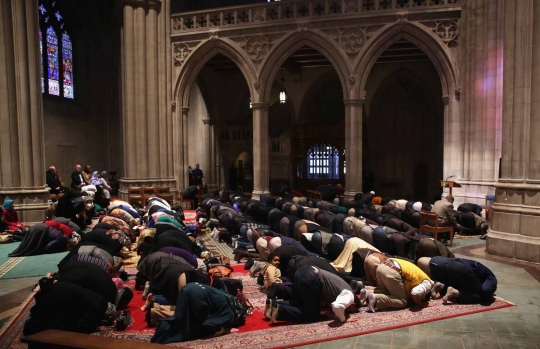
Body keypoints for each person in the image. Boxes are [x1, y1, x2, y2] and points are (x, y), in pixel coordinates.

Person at [268, 266, 358, 323]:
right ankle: (280, 310)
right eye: (352, 310)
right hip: (311, 277)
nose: (348, 310)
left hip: (303, 271)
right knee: (312, 315)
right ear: (353, 303)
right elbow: (337, 306)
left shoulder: (343, 288)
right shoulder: (350, 296)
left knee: (301, 303)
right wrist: (343, 319)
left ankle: (273, 304)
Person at [151, 283, 236, 344]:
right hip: (196, 296)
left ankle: (157, 315)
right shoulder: (229, 313)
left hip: (188, 287)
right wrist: (224, 330)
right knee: (192, 328)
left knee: (180, 316)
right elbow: (207, 324)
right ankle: (160, 322)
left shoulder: (224, 296)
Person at [359, 258, 433, 312]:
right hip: (393, 270)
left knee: (389, 293)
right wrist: (419, 304)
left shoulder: (420, 277)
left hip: (382, 266)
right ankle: (376, 297)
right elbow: (415, 293)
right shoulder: (428, 283)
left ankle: (367, 293)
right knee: (402, 302)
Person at [417, 256, 497, 304]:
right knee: (480, 296)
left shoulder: (481, 271)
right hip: (462, 269)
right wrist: (488, 296)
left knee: (461, 285)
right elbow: (485, 292)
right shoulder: (491, 279)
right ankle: (455, 293)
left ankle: (442, 286)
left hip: (451, 263)